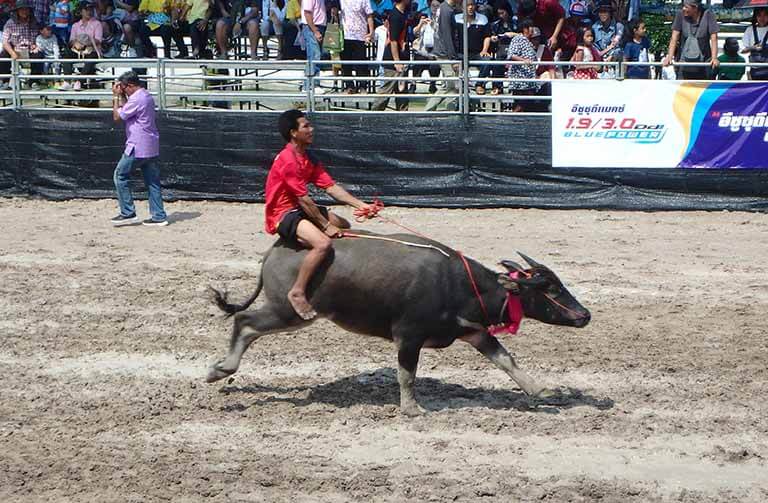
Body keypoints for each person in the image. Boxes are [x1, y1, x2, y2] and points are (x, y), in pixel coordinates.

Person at [265, 109, 376, 319]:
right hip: (283, 213)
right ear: (293, 133)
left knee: (343, 223)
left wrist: (361, 205)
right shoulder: (288, 160)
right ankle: (297, 291)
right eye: (305, 126)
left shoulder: (308, 158)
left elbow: (331, 188)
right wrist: (325, 226)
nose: (311, 129)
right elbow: (303, 199)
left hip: (299, 209)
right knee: (323, 243)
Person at [110, 71, 168, 227]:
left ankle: (127, 212)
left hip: (137, 145)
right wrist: (122, 95)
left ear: (129, 86)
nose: (121, 90)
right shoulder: (145, 95)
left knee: (120, 175)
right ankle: (159, 215)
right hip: (150, 145)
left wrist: (115, 97)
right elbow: (127, 109)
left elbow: (117, 117)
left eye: (123, 87)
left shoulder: (137, 99)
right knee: (152, 181)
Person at [663, 0, 719, 80]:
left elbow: (714, 38)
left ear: (695, 8)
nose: (683, 9)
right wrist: (669, 57)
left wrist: (714, 58)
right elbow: (674, 37)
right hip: (684, 61)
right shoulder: (680, 14)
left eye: (686, 7)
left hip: (704, 62)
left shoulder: (708, 15)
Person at [372, 0, 410, 110]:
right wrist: (396, 61)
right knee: (387, 89)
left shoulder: (403, 14)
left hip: (401, 56)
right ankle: (374, 114)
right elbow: (393, 40)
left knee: (402, 91)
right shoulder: (395, 15)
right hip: (393, 59)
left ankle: (403, 114)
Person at [423, 0, 459, 111]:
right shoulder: (446, 10)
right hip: (445, 53)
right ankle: (432, 110)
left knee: (450, 84)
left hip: (443, 51)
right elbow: (447, 35)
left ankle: (432, 110)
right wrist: (453, 58)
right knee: (452, 84)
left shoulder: (444, 8)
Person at [0, 0, 44, 90]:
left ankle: (34, 82)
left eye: (26, 9)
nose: (24, 11)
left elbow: (39, 37)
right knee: (3, 54)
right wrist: (12, 53)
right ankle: (4, 81)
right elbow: (5, 41)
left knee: (39, 55)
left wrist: (36, 45)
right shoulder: (10, 23)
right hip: (15, 49)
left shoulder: (34, 22)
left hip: (29, 49)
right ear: (17, 11)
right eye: (22, 9)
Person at [455, 0, 492, 95]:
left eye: (472, 5)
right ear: (462, 7)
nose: (470, 7)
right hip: (461, 53)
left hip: (477, 53)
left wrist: (484, 50)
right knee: (455, 64)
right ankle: (462, 86)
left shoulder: (483, 19)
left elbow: (487, 36)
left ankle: (479, 84)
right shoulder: (456, 18)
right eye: (467, 5)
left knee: (487, 61)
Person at [340, 0, 374, 93]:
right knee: (346, 63)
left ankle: (363, 86)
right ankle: (349, 86)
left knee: (361, 63)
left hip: (360, 35)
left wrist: (371, 32)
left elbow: (369, 15)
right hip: (345, 35)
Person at [741, 7, 768, 80]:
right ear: (755, 17)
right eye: (759, 15)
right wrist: (753, 48)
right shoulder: (749, 30)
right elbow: (742, 51)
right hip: (754, 70)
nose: (762, 18)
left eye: (765, 15)